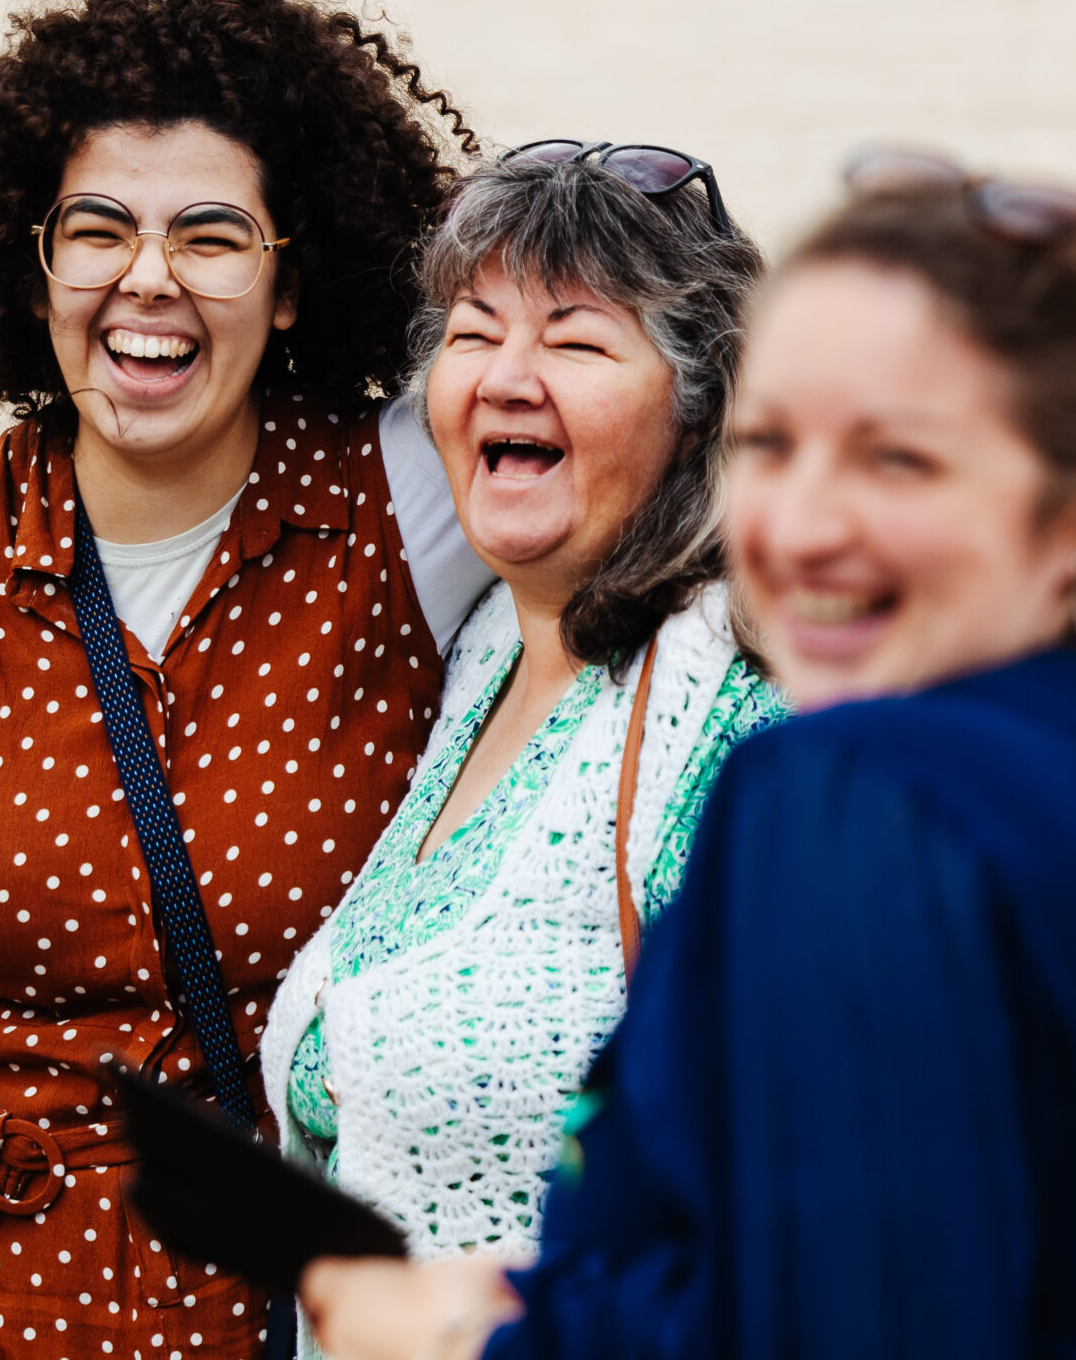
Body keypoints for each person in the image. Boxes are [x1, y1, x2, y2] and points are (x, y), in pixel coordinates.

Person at [301, 150, 1076, 1360]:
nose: (804, 527)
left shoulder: (859, 793)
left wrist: (463, 1334)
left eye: (897, 460)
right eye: (771, 445)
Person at [0, 0, 496, 1360]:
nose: (147, 278)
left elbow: (602, 403)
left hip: (301, 1322)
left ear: (295, 283)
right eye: (98, 227)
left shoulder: (405, 502)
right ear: (34, 264)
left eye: (214, 234)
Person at [262, 145, 784, 1306]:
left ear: (699, 410)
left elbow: (812, 1194)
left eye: (576, 338)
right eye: (472, 330)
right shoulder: (485, 650)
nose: (505, 375)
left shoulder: (749, 717)